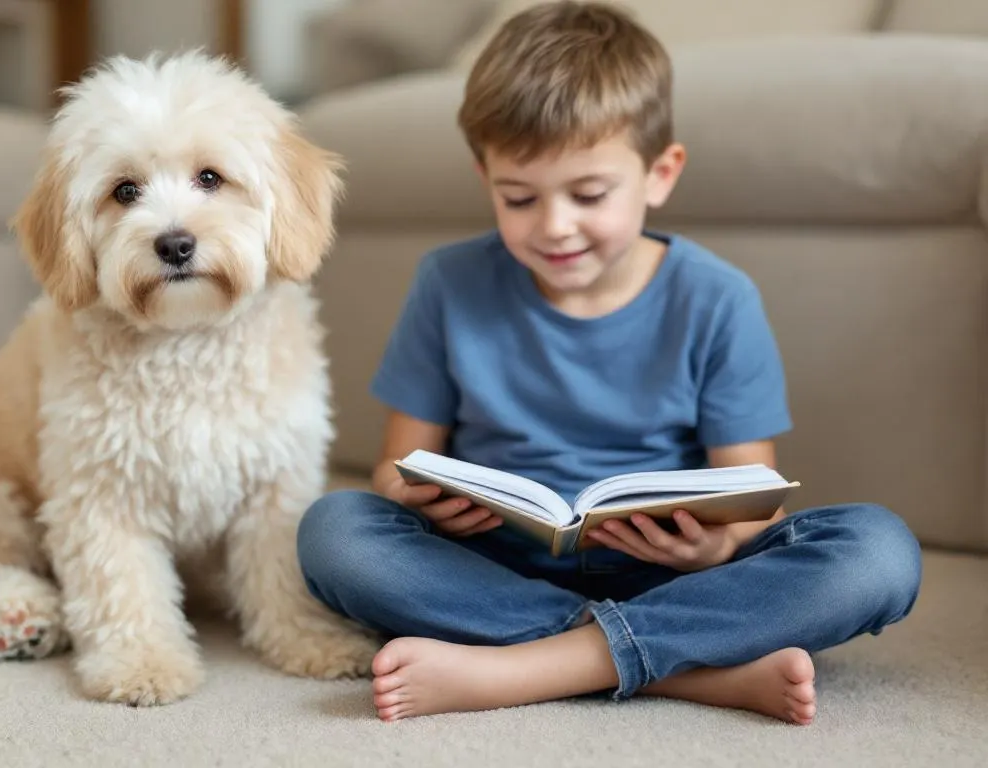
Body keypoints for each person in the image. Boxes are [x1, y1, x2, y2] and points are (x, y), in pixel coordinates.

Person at [296, 0, 922, 725]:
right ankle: (688, 670)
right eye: (518, 197)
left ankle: (529, 667)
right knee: (336, 530)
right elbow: (394, 468)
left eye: (589, 194)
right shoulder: (449, 283)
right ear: (484, 176)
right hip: (496, 564)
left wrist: (714, 546)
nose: (554, 226)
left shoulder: (716, 299)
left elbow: (755, 506)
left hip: (671, 575)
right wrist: (420, 501)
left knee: (878, 552)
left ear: (660, 174)